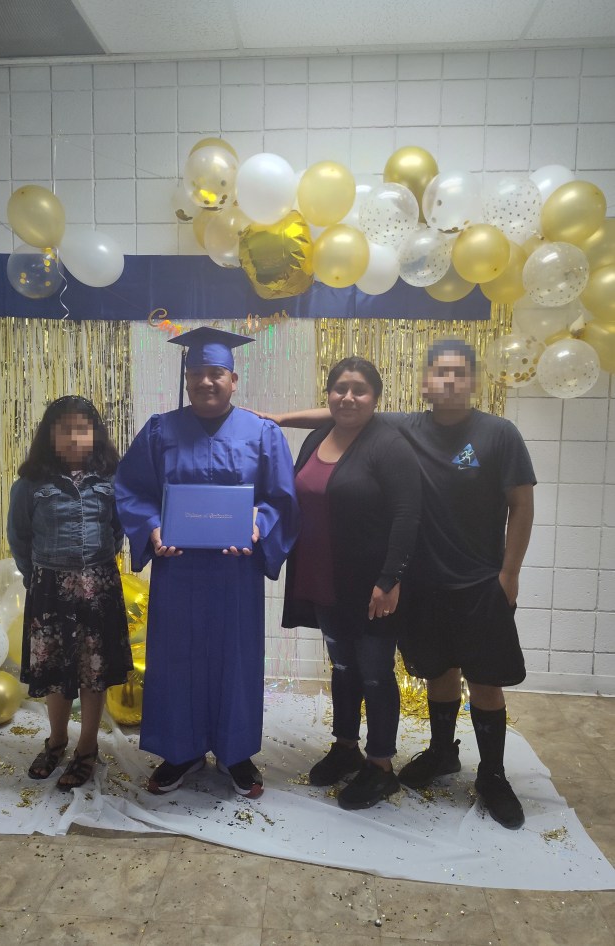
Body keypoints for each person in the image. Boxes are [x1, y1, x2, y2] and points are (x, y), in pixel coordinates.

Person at [265, 339, 535, 829]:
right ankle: (440, 753)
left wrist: (509, 573)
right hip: (425, 580)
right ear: (426, 382)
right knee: (439, 672)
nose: (449, 382)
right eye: (440, 373)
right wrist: (279, 419)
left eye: (459, 374)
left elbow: (522, 504)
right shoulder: (405, 425)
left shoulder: (499, 434)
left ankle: (493, 775)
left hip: (480, 580)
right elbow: (338, 411)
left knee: (485, 681)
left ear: (473, 381)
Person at [115, 327, 299, 799]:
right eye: (196, 373)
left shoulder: (263, 433)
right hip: (178, 572)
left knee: (235, 659)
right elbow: (133, 490)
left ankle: (236, 752)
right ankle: (181, 750)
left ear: (233, 379)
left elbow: (281, 498)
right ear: (187, 378)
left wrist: (259, 526)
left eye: (215, 373)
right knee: (177, 658)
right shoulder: (160, 429)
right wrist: (152, 527)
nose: (205, 382)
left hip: (234, 573)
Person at [283, 357, 421, 810]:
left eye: (359, 389)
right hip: (325, 579)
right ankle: (346, 746)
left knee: (377, 674)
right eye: (340, 388)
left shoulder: (388, 444)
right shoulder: (318, 437)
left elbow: (407, 514)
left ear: (375, 397)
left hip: (371, 587)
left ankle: (381, 766)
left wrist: (390, 579)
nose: (348, 397)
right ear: (328, 394)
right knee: (343, 668)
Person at [7, 395, 133, 791]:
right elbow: (19, 537)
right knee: (57, 675)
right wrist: (42, 578)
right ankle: (57, 740)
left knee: (93, 674)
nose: (74, 437)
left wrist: (93, 569)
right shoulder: (30, 484)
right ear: (50, 435)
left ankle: (87, 748)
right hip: (50, 590)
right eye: (64, 429)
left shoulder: (111, 480)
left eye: (83, 428)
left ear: (95, 434)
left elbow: (117, 531)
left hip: (98, 589)